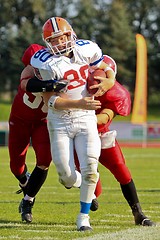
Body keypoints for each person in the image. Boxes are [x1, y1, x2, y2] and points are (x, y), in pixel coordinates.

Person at [30, 17, 116, 231]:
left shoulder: (86, 49)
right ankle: (80, 182)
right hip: (59, 120)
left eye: (63, 37)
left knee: (90, 169)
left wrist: (110, 80)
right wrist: (79, 102)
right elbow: (50, 100)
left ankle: (83, 217)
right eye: (54, 40)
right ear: (48, 42)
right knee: (66, 176)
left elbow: (106, 66)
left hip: (85, 117)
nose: (60, 43)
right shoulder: (44, 62)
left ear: (71, 35)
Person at [86, 55, 155, 226]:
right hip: (78, 135)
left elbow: (103, 118)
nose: (96, 81)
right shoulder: (79, 84)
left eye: (101, 76)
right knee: (89, 182)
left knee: (122, 170)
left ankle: (138, 213)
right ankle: (89, 192)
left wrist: (82, 118)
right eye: (93, 75)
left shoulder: (118, 94)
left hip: (101, 134)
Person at [8, 44, 52, 224]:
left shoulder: (57, 66)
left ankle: (28, 202)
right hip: (20, 121)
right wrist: (49, 84)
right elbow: (27, 82)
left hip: (42, 122)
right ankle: (24, 180)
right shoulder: (29, 70)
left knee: (45, 160)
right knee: (16, 166)